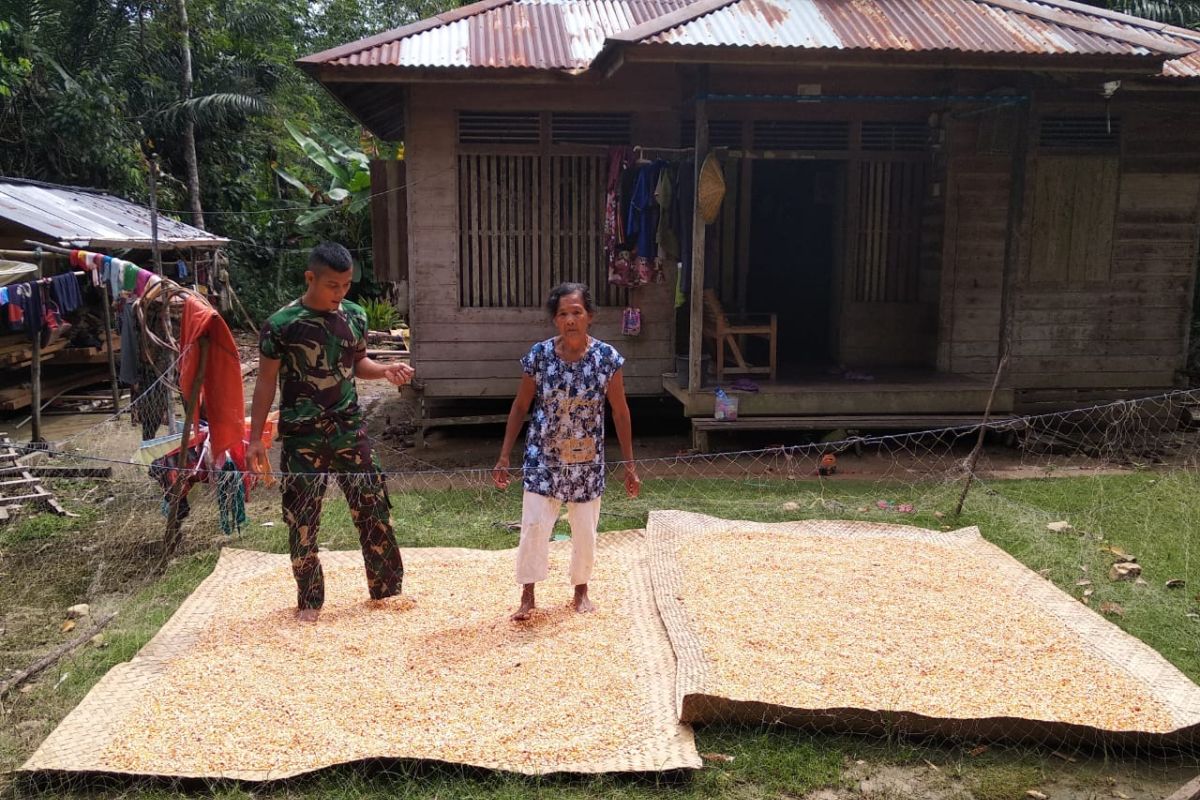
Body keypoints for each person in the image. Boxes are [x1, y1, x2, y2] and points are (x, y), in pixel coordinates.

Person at [247, 242, 413, 622]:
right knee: (301, 519)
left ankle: (387, 592)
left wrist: (385, 370)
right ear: (311, 278)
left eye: (346, 285)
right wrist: (257, 437)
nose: (340, 294)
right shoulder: (281, 325)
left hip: (349, 431)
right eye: (332, 286)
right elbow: (265, 383)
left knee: (373, 508)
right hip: (302, 437)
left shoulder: (353, 316)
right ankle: (309, 601)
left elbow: (358, 364)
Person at [493, 282, 640, 621]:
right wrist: (504, 455)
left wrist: (629, 465)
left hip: (587, 458)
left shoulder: (607, 359)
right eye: (563, 314)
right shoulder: (540, 356)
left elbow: (620, 411)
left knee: (585, 528)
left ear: (590, 316)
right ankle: (528, 594)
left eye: (577, 312)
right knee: (534, 525)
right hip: (543, 455)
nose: (570, 319)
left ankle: (581, 590)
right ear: (555, 320)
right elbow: (520, 406)